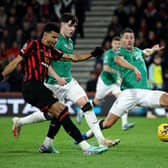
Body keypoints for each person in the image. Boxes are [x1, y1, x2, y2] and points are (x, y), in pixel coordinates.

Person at [12, 13, 120, 152]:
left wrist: (92, 54)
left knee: (86, 105)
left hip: (68, 82)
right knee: (52, 115)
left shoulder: (70, 41)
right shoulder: (55, 40)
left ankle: (101, 140)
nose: (72, 29)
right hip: (52, 83)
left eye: (74, 26)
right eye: (70, 25)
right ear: (62, 24)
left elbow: (72, 58)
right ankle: (23, 124)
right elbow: (45, 62)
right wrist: (57, 77)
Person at [83, 28, 167, 140]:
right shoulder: (119, 52)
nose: (129, 40)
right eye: (126, 38)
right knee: (108, 123)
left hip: (145, 92)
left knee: (166, 98)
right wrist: (134, 68)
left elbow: (146, 52)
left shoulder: (137, 51)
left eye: (131, 37)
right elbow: (118, 60)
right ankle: (86, 135)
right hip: (128, 94)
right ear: (122, 40)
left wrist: (153, 49)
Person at [91, 36, 134, 131]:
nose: (117, 45)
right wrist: (117, 73)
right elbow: (105, 68)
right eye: (115, 43)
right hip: (105, 82)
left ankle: (124, 123)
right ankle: (81, 112)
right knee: (96, 102)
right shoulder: (108, 53)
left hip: (115, 83)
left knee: (123, 98)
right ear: (112, 44)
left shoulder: (122, 54)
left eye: (119, 44)